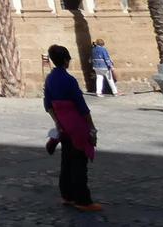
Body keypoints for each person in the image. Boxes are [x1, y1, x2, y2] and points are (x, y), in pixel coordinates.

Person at [43, 44, 101, 213]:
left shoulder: (50, 79)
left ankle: (67, 195)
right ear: (66, 60)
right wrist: (91, 127)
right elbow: (81, 105)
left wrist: (58, 122)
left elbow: (47, 104)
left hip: (63, 125)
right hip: (76, 124)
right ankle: (83, 200)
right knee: (79, 162)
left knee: (66, 160)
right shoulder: (69, 80)